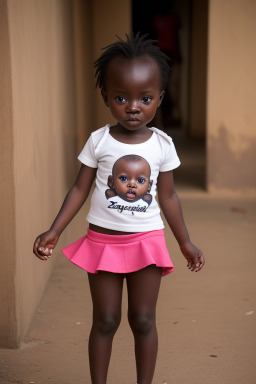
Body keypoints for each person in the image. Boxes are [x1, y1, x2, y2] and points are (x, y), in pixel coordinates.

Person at [33, 34, 205, 384]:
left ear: (160, 99)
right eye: (121, 97)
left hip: (146, 243)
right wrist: (54, 230)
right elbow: (81, 187)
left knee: (143, 319)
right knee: (105, 320)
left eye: (145, 98)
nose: (133, 107)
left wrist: (185, 242)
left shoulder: (163, 145)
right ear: (106, 98)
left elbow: (168, 197)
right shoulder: (98, 140)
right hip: (102, 244)